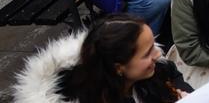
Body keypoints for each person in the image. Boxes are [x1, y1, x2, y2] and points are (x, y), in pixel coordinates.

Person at [13, 13, 192, 103]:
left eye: (153, 45)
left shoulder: (151, 70)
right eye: (147, 53)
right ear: (118, 67)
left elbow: (172, 73)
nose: (158, 54)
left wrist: (184, 95)